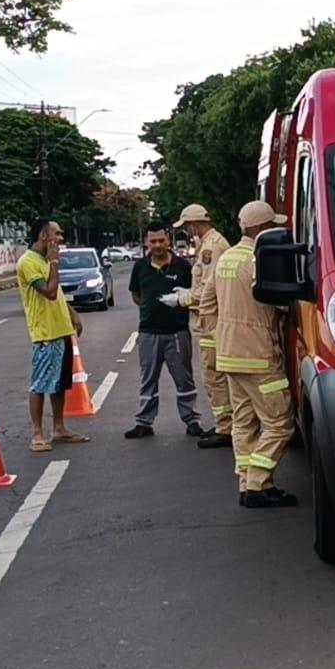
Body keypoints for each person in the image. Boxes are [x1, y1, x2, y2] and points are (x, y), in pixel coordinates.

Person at [215, 200, 297, 508]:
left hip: (228, 353)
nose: (277, 229)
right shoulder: (259, 260)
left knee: (243, 420)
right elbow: (280, 303)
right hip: (257, 354)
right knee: (279, 422)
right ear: (262, 229)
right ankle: (258, 484)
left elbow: (209, 300)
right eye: (273, 225)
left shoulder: (226, 258)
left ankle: (247, 481)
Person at [124, 223, 205, 439]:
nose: (157, 245)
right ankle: (144, 422)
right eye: (153, 241)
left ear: (168, 240)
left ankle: (192, 420)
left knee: (184, 379)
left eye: (161, 240)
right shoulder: (140, 267)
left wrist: (179, 302)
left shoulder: (182, 267)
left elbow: (194, 293)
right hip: (149, 333)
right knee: (148, 379)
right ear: (146, 243)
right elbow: (137, 296)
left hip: (177, 332)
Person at [17, 217, 90, 452]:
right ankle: (37, 433)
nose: (60, 238)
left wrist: (72, 313)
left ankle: (59, 428)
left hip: (61, 330)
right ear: (43, 236)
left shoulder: (44, 260)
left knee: (59, 383)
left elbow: (56, 292)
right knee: (40, 383)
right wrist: (55, 263)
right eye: (56, 234)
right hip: (45, 333)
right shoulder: (28, 262)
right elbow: (48, 292)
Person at [173, 203, 235, 450]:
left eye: (187, 226)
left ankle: (226, 427)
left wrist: (183, 299)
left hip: (213, 320)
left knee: (215, 376)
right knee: (214, 376)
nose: (186, 231)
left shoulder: (211, 247)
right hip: (209, 319)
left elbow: (208, 289)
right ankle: (224, 424)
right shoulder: (208, 244)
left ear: (194, 223)